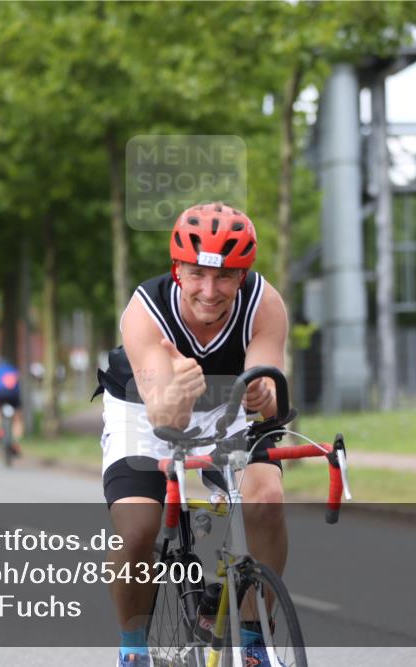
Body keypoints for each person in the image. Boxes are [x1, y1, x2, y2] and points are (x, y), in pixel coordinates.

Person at [93, 203, 289, 667]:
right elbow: (164, 417)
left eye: (224, 277)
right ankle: (133, 650)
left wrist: (264, 393)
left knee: (266, 500)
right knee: (139, 529)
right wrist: (177, 389)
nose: (209, 290)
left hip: (227, 405)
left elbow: (273, 394)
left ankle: (253, 637)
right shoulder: (145, 312)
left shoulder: (266, 304)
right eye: (197, 274)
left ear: (242, 275)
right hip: (143, 411)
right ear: (176, 268)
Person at [0, 357, 23, 455]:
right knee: (17, 418)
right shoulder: (14, 370)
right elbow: (19, 384)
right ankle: (16, 443)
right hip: (13, 397)